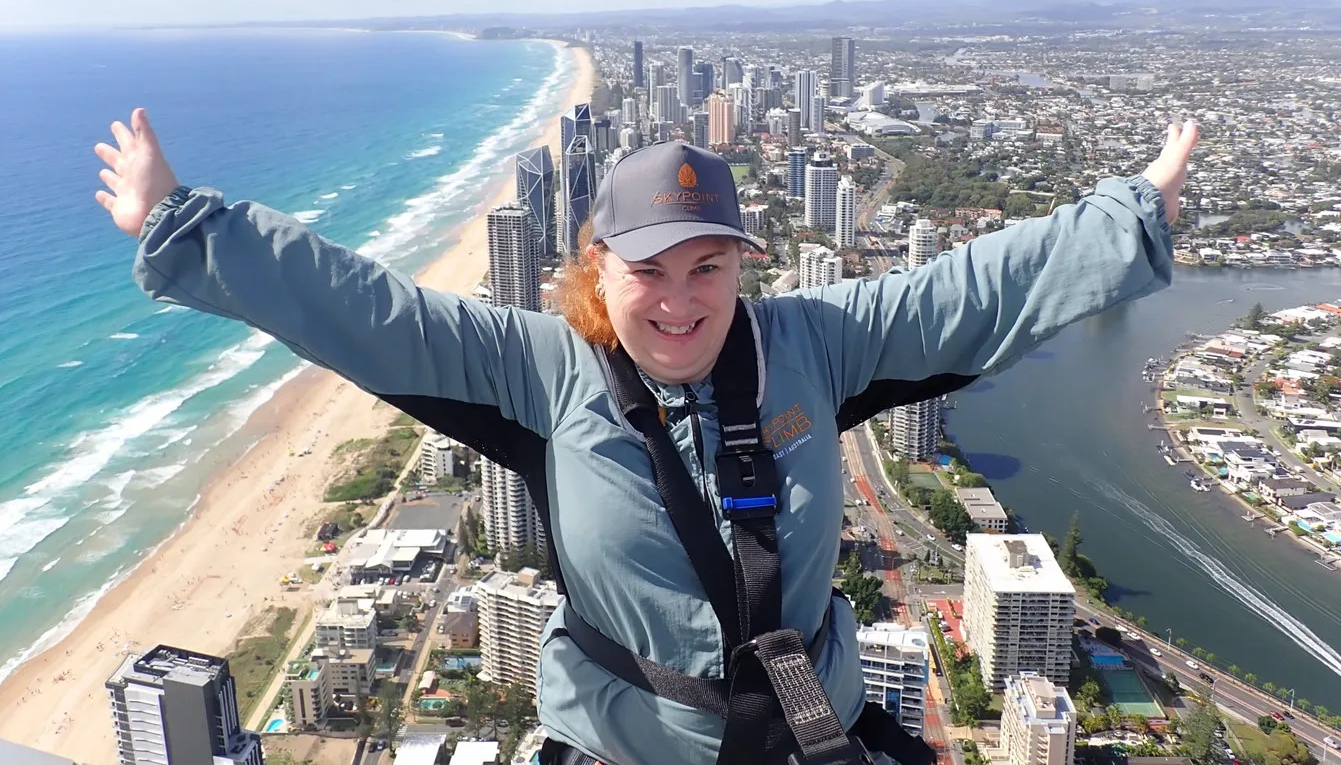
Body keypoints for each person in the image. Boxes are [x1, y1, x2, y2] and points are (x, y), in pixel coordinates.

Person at [95, 109, 1196, 765]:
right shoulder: (535, 370)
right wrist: (187, 226)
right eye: (649, 269)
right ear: (596, 269)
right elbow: (372, 312)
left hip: (813, 738)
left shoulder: (811, 344)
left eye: (706, 264)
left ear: (741, 265)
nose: (679, 299)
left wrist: (1129, 214)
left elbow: (971, 291)